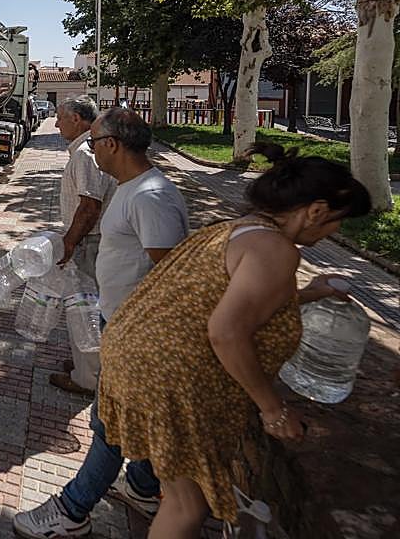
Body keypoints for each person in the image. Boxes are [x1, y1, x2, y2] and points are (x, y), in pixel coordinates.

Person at [98, 145, 369, 536]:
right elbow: (227, 332)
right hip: (169, 378)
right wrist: (272, 410)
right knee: (187, 506)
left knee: (180, 495)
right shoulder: (276, 250)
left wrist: (309, 293)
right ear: (315, 210)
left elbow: (236, 297)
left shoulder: (238, 228)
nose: (336, 231)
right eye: (337, 220)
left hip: (136, 358)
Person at [14, 107, 189, 538]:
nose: (90, 150)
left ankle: (71, 511)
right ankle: (145, 487)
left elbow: (171, 274)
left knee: (108, 424)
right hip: (122, 320)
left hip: (136, 330)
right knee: (132, 415)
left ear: (112, 144)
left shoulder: (151, 197)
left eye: (94, 141)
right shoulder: (133, 189)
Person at [50, 97, 116, 396]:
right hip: (92, 241)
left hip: (90, 243)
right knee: (87, 308)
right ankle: (86, 366)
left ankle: (87, 378)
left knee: (84, 310)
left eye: (60, 117)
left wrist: (69, 243)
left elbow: (90, 206)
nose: (55, 123)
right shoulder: (87, 150)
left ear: (76, 119)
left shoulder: (85, 155)